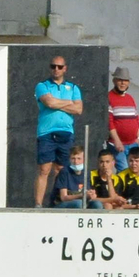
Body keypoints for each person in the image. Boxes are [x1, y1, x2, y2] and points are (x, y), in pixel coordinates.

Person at [33, 55, 82, 206]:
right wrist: (68, 103)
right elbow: (49, 103)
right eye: (53, 66)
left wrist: (57, 103)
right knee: (44, 169)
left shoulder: (73, 88)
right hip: (47, 132)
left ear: (65, 69)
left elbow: (79, 109)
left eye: (59, 67)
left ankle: (57, 201)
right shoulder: (42, 86)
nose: (56, 69)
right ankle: (38, 205)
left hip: (66, 133)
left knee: (62, 170)